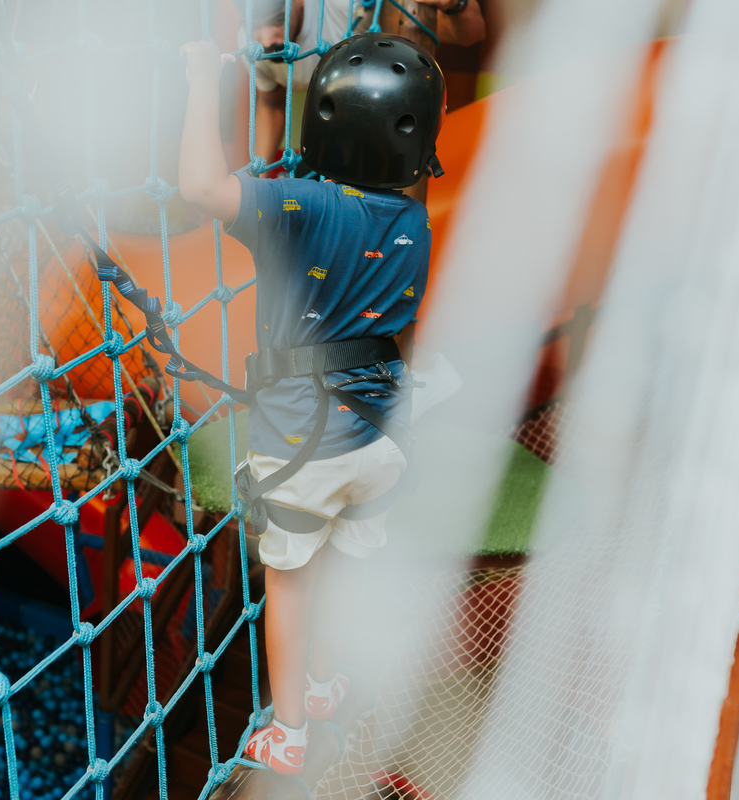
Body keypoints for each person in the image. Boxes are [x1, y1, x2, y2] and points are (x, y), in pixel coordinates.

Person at [178, 33, 445, 775]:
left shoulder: (299, 206)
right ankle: (326, 685)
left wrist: (203, 77)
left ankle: (289, 733)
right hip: (384, 443)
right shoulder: (413, 222)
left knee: (290, 586)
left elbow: (201, 187)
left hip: (307, 447)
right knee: (341, 567)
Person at [236, 0, 484, 162]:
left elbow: (472, 33)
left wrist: (455, 4)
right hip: (325, 147)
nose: (267, 40)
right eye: (254, 27)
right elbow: (271, 102)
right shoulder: (251, 47)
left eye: (278, 20)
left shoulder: (345, 6)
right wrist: (257, 175)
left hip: (385, 135)